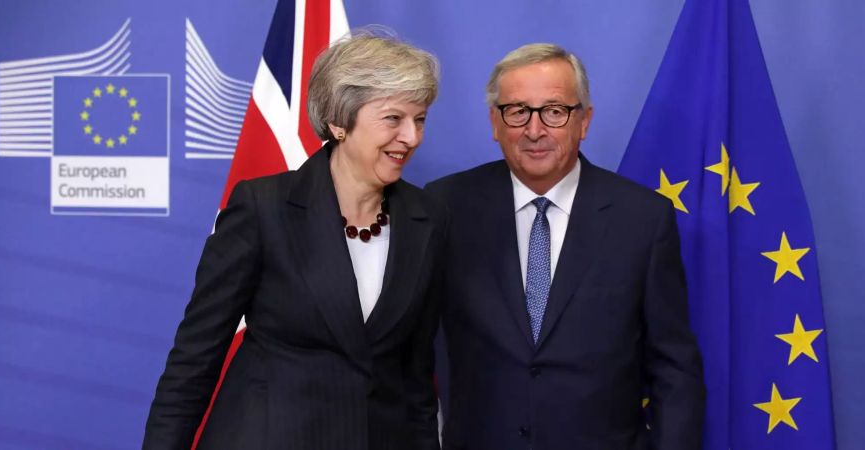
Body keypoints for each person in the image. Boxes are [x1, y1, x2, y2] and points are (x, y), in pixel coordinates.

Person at [143, 31, 445, 450]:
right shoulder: (263, 207)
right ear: (339, 122)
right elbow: (195, 358)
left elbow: (416, 375)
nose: (411, 137)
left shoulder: (425, 218)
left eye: (421, 119)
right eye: (394, 119)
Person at [425, 43, 705, 450]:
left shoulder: (642, 218)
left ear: (584, 120)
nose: (534, 130)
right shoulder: (444, 206)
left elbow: (674, 367)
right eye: (518, 111)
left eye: (554, 111)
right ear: (494, 122)